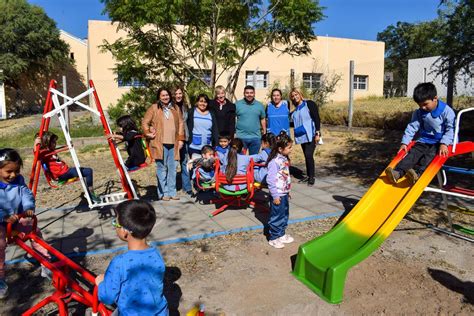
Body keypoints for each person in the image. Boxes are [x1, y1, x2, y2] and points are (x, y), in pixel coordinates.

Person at [96, 200, 168, 315]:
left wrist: (100, 283)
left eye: (115, 222)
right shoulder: (156, 254)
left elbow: (107, 297)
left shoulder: (119, 263)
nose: (114, 225)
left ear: (125, 231)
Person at [0, 148, 52, 298]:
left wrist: (28, 207)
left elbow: (26, 194)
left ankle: (46, 263)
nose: (13, 175)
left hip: (16, 218)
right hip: (2, 221)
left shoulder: (18, 180)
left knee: (34, 231)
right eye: (8, 171)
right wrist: (3, 217)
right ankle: (0, 279)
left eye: (16, 171)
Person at [385, 82, 455, 185]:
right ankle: (398, 173)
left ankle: (417, 174)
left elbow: (451, 129)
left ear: (435, 98)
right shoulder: (419, 113)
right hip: (425, 140)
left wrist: (444, 143)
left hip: (441, 142)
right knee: (413, 153)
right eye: (420, 105)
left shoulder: (446, 111)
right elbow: (412, 127)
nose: (422, 107)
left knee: (430, 155)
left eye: (425, 104)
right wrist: (405, 142)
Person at [142, 87, 185, 201]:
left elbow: (181, 123)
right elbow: (145, 122)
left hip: (174, 143)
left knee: (173, 168)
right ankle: (163, 193)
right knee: (162, 168)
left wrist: (181, 139)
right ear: (159, 97)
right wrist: (148, 132)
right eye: (163, 95)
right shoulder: (154, 108)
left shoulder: (175, 107)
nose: (165, 97)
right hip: (159, 143)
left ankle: (172, 192)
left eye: (167, 95)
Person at [36, 132, 100, 202]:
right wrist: (36, 143)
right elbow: (37, 154)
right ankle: (90, 193)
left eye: (55, 142)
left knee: (86, 171)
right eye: (53, 142)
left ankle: (90, 193)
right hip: (63, 174)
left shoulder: (50, 150)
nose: (55, 144)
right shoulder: (44, 152)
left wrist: (68, 145)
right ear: (46, 143)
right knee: (88, 171)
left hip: (65, 171)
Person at [266, 133, 294, 249]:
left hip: (284, 193)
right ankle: (273, 238)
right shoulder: (274, 162)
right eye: (289, 148)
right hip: (278, 194)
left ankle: (281, 234)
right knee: (277, 216)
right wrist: (275, 196)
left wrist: (288, 191)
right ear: (280, 149)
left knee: (284, 214)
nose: (291, 150)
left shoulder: (284, 159)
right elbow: (270, 180)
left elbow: (285, 176)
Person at [290, 88, 321, 186]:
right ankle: (308, 176)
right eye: (293, 96)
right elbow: (291, 122)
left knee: (308, 155)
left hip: (311, 134)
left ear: (300, 94)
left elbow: (317, 118)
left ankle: (312, 177)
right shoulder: (296, 110)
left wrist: (318, 133)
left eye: (296, 94)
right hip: (302, 135)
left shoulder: (309, 104)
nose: (295, 97)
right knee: (306, 156)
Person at [235, 85, 266, 155]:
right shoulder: (237, 105)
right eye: (247, 93)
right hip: (241, 137)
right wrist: (234, 132)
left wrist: (264, 133)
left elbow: (263, 119)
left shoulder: (259, 105)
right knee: (240, 159)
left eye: (251, 93)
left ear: (254, 93)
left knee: (253, 160)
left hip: (256, 137)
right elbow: (232, 118)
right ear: (244, 93)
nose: (249, 95)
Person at [174, 87, 193, 196]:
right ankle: (171, 188)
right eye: (176, 93)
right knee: (173, 164)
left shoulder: (184, 106)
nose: (178, 95)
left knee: (185, 162)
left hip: (185, 138)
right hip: (174, 139)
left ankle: (187, 187)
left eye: (180, 93)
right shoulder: (171, 107)